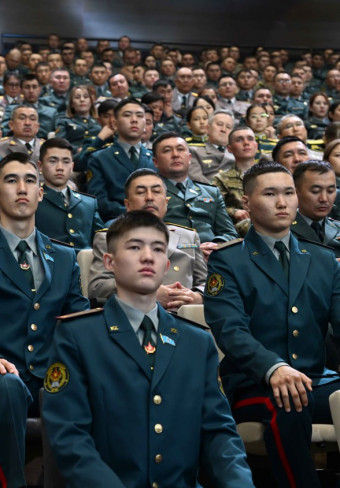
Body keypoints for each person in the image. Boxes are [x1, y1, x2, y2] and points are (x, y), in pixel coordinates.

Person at [43, 210, 253, 488]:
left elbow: (219, 433)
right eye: (134, 247)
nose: (147, 257)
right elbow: (70, 438)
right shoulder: (78, 336)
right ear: (109, 262)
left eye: (157, 249)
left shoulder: (197, 341)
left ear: (166, 265)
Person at [0, 151, 89, 488]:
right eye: (11, 181)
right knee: (7, 386)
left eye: (30, 181)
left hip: (49, 377)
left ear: (41, 192)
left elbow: (78, 323)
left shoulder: (64, 256)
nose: (22, 188)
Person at [204, 162, 340, 488]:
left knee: (300, 396)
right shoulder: (228, 260)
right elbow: (231, 331)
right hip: (255, 383)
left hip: (316, 378)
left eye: (289, 193)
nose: (282, 202)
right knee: (290, 403)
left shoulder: (323, 259)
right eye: (270, 194)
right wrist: (274, 368)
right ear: (247, 202)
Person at [89, 168, 207, 309]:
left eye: (156, 191)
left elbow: (205, 283)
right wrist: (146, 293)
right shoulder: (107, 237)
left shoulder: (189, 236)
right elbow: (97, 287)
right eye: (141, 192)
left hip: (185, 314)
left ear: (166, 202)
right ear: (127, 204)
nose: (149, 197)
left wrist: (196, 297)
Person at [152, 132, 238, 257]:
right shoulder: (151, 193)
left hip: (214, 257)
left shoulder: (211, 192)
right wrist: (194, 249)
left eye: (180, 149)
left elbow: (230, 233)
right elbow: (149, 235)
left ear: (189, 158)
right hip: (173, 258)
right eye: (167, 151)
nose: (175, 155)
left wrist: (216, 245)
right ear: (155, 162)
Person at [85, 98, 154, 222]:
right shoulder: (100, 158)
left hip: (155, 219)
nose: (134, 120)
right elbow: (99, 201)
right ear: (115, 124)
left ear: (145, 124)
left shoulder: (155, 158)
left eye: (139, 116)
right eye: (127, 115)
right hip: (118, 220)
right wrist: (133, 212)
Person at [35, 138, 104, 250]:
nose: (60, 168)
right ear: (40, 166)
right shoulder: (33, 201)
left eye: (66, 162)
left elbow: (101, 241)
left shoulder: (89, 203)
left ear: (72, 167)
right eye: (52, 161)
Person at [212, 126, 259, 233]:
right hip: (240, 228)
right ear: (229, 148)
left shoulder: (270, 174)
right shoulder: (220, 179)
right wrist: (234, 212)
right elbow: (214, 207)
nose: (246, 143)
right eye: (239, 140)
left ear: (256, 145)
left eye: (250, 139)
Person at [289, 160, 340, 257]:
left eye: (330, 191)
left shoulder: (337, 228)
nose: (324, 199)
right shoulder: (282, 230)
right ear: (296, 191)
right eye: (315, 191)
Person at [187, 110, 235, 183]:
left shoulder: (237, 152)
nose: (223, 130)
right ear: (207, 128)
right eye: (219, 124)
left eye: (228, 127)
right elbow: (196, 177)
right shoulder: (193, 151)